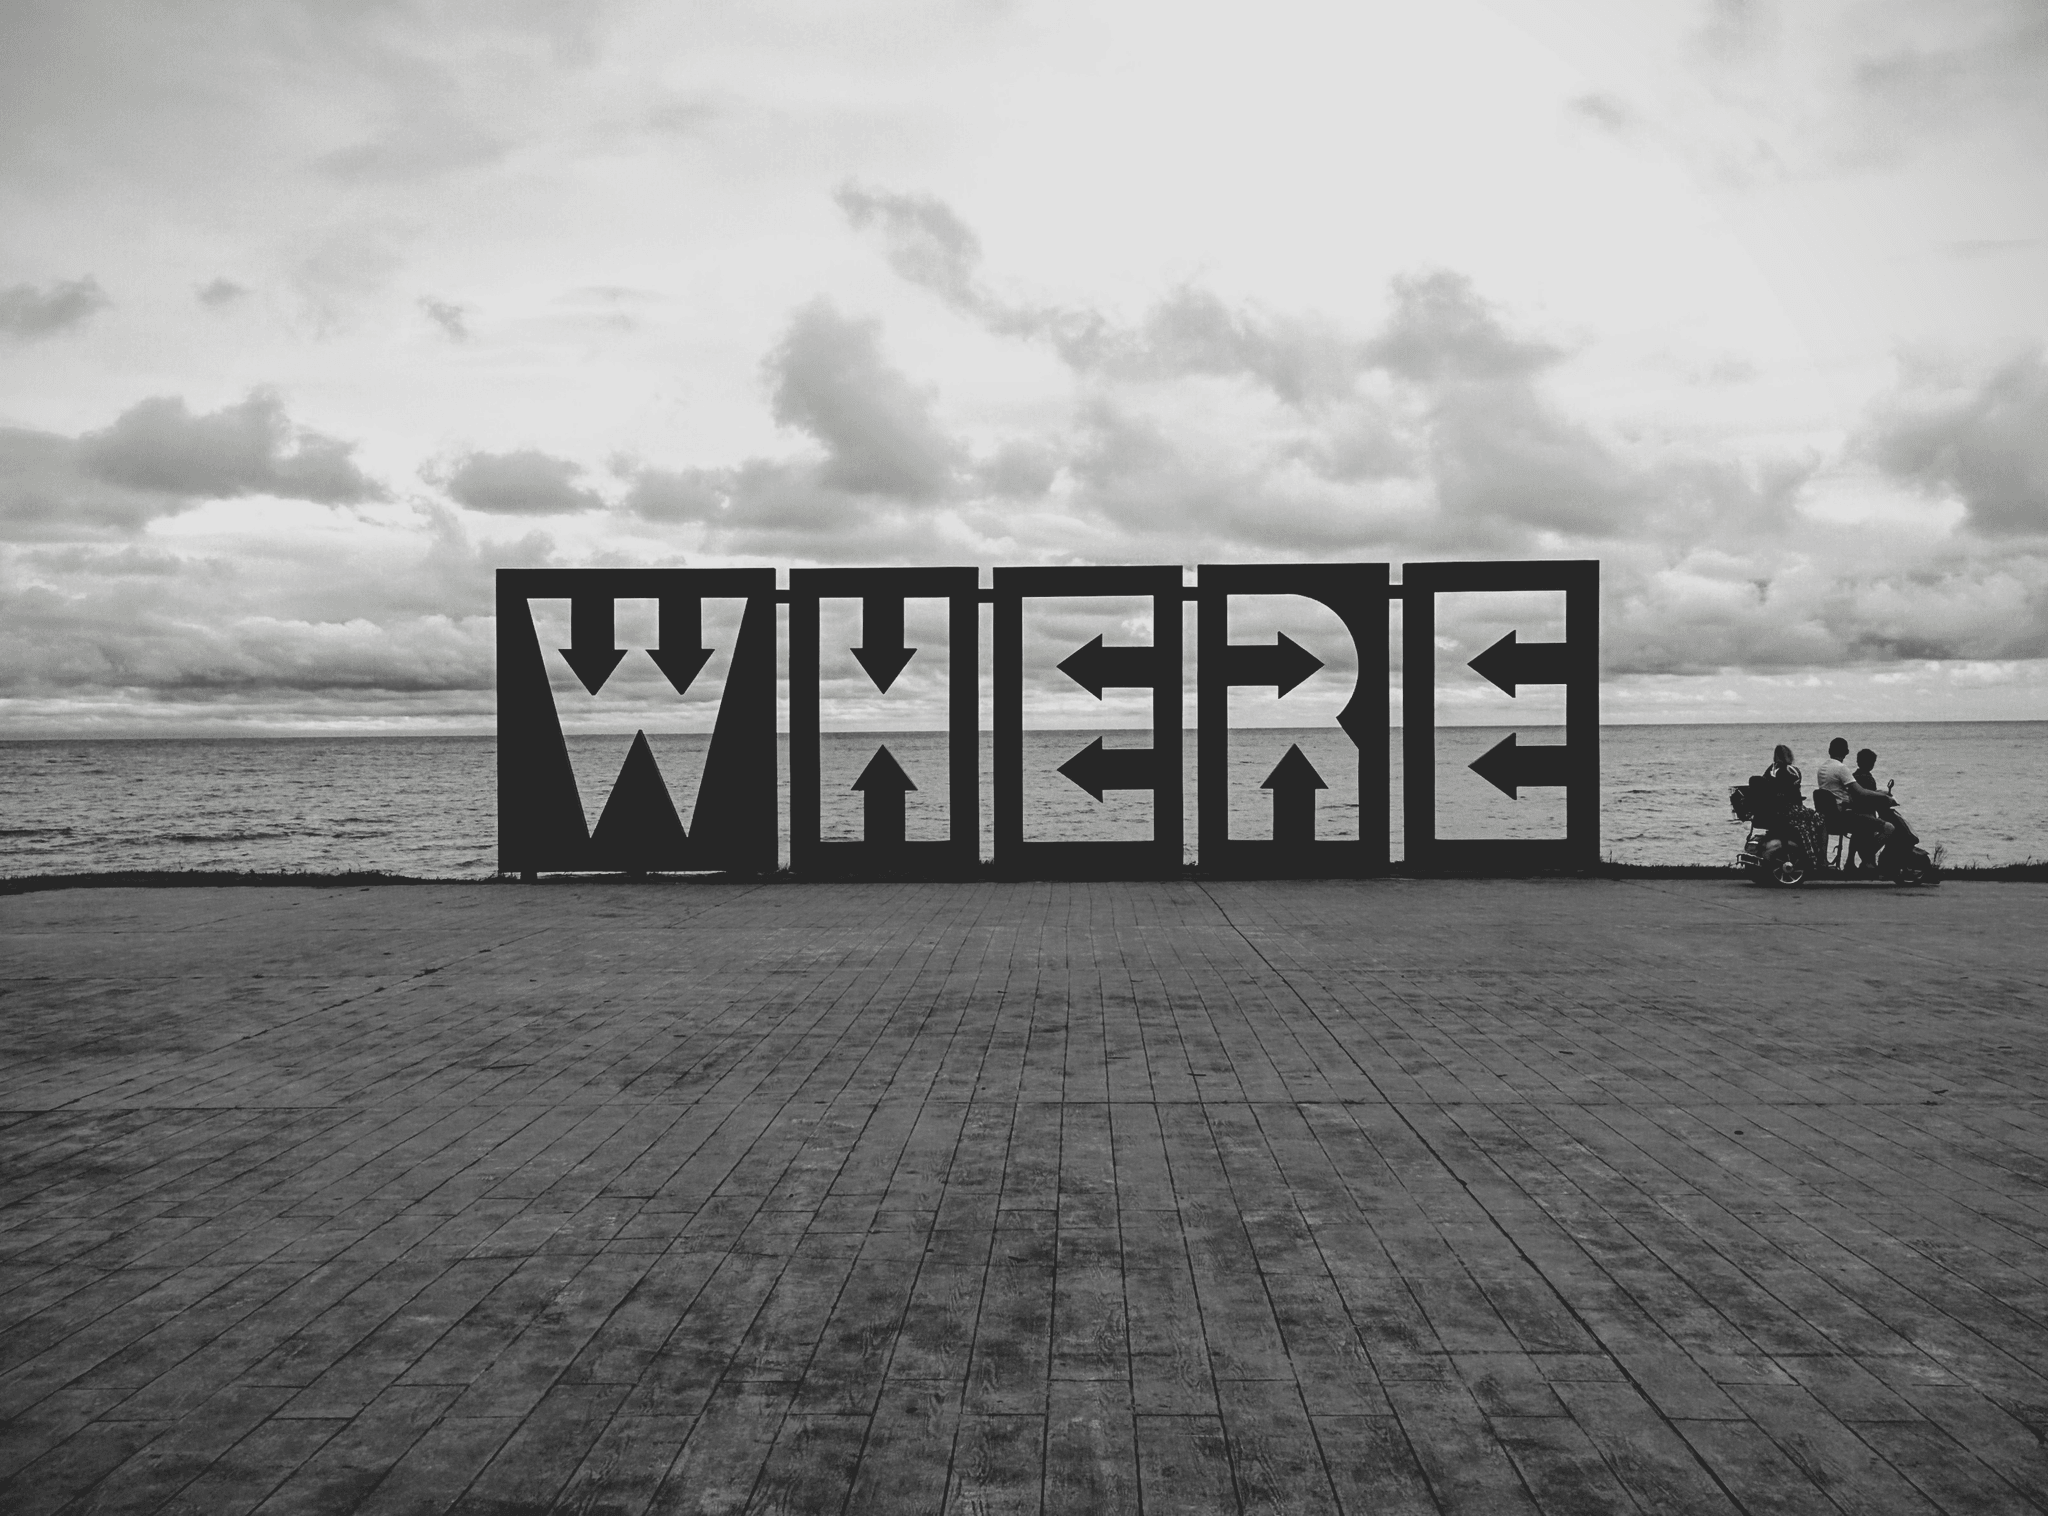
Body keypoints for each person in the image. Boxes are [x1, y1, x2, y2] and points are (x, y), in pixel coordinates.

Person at [1817, 737, 1893, 872]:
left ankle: (1851, 863)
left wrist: (1879, 793)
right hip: (1842, 816)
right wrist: (1884, 797)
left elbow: (1846, 791)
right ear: (1846, 752)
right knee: (1889, 828)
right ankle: (1867, 858)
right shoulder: (1840, 768)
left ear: (1829, 750)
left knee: (1861, 824)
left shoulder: (1823, 768)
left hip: (1830, 814)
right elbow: (1861, 792)